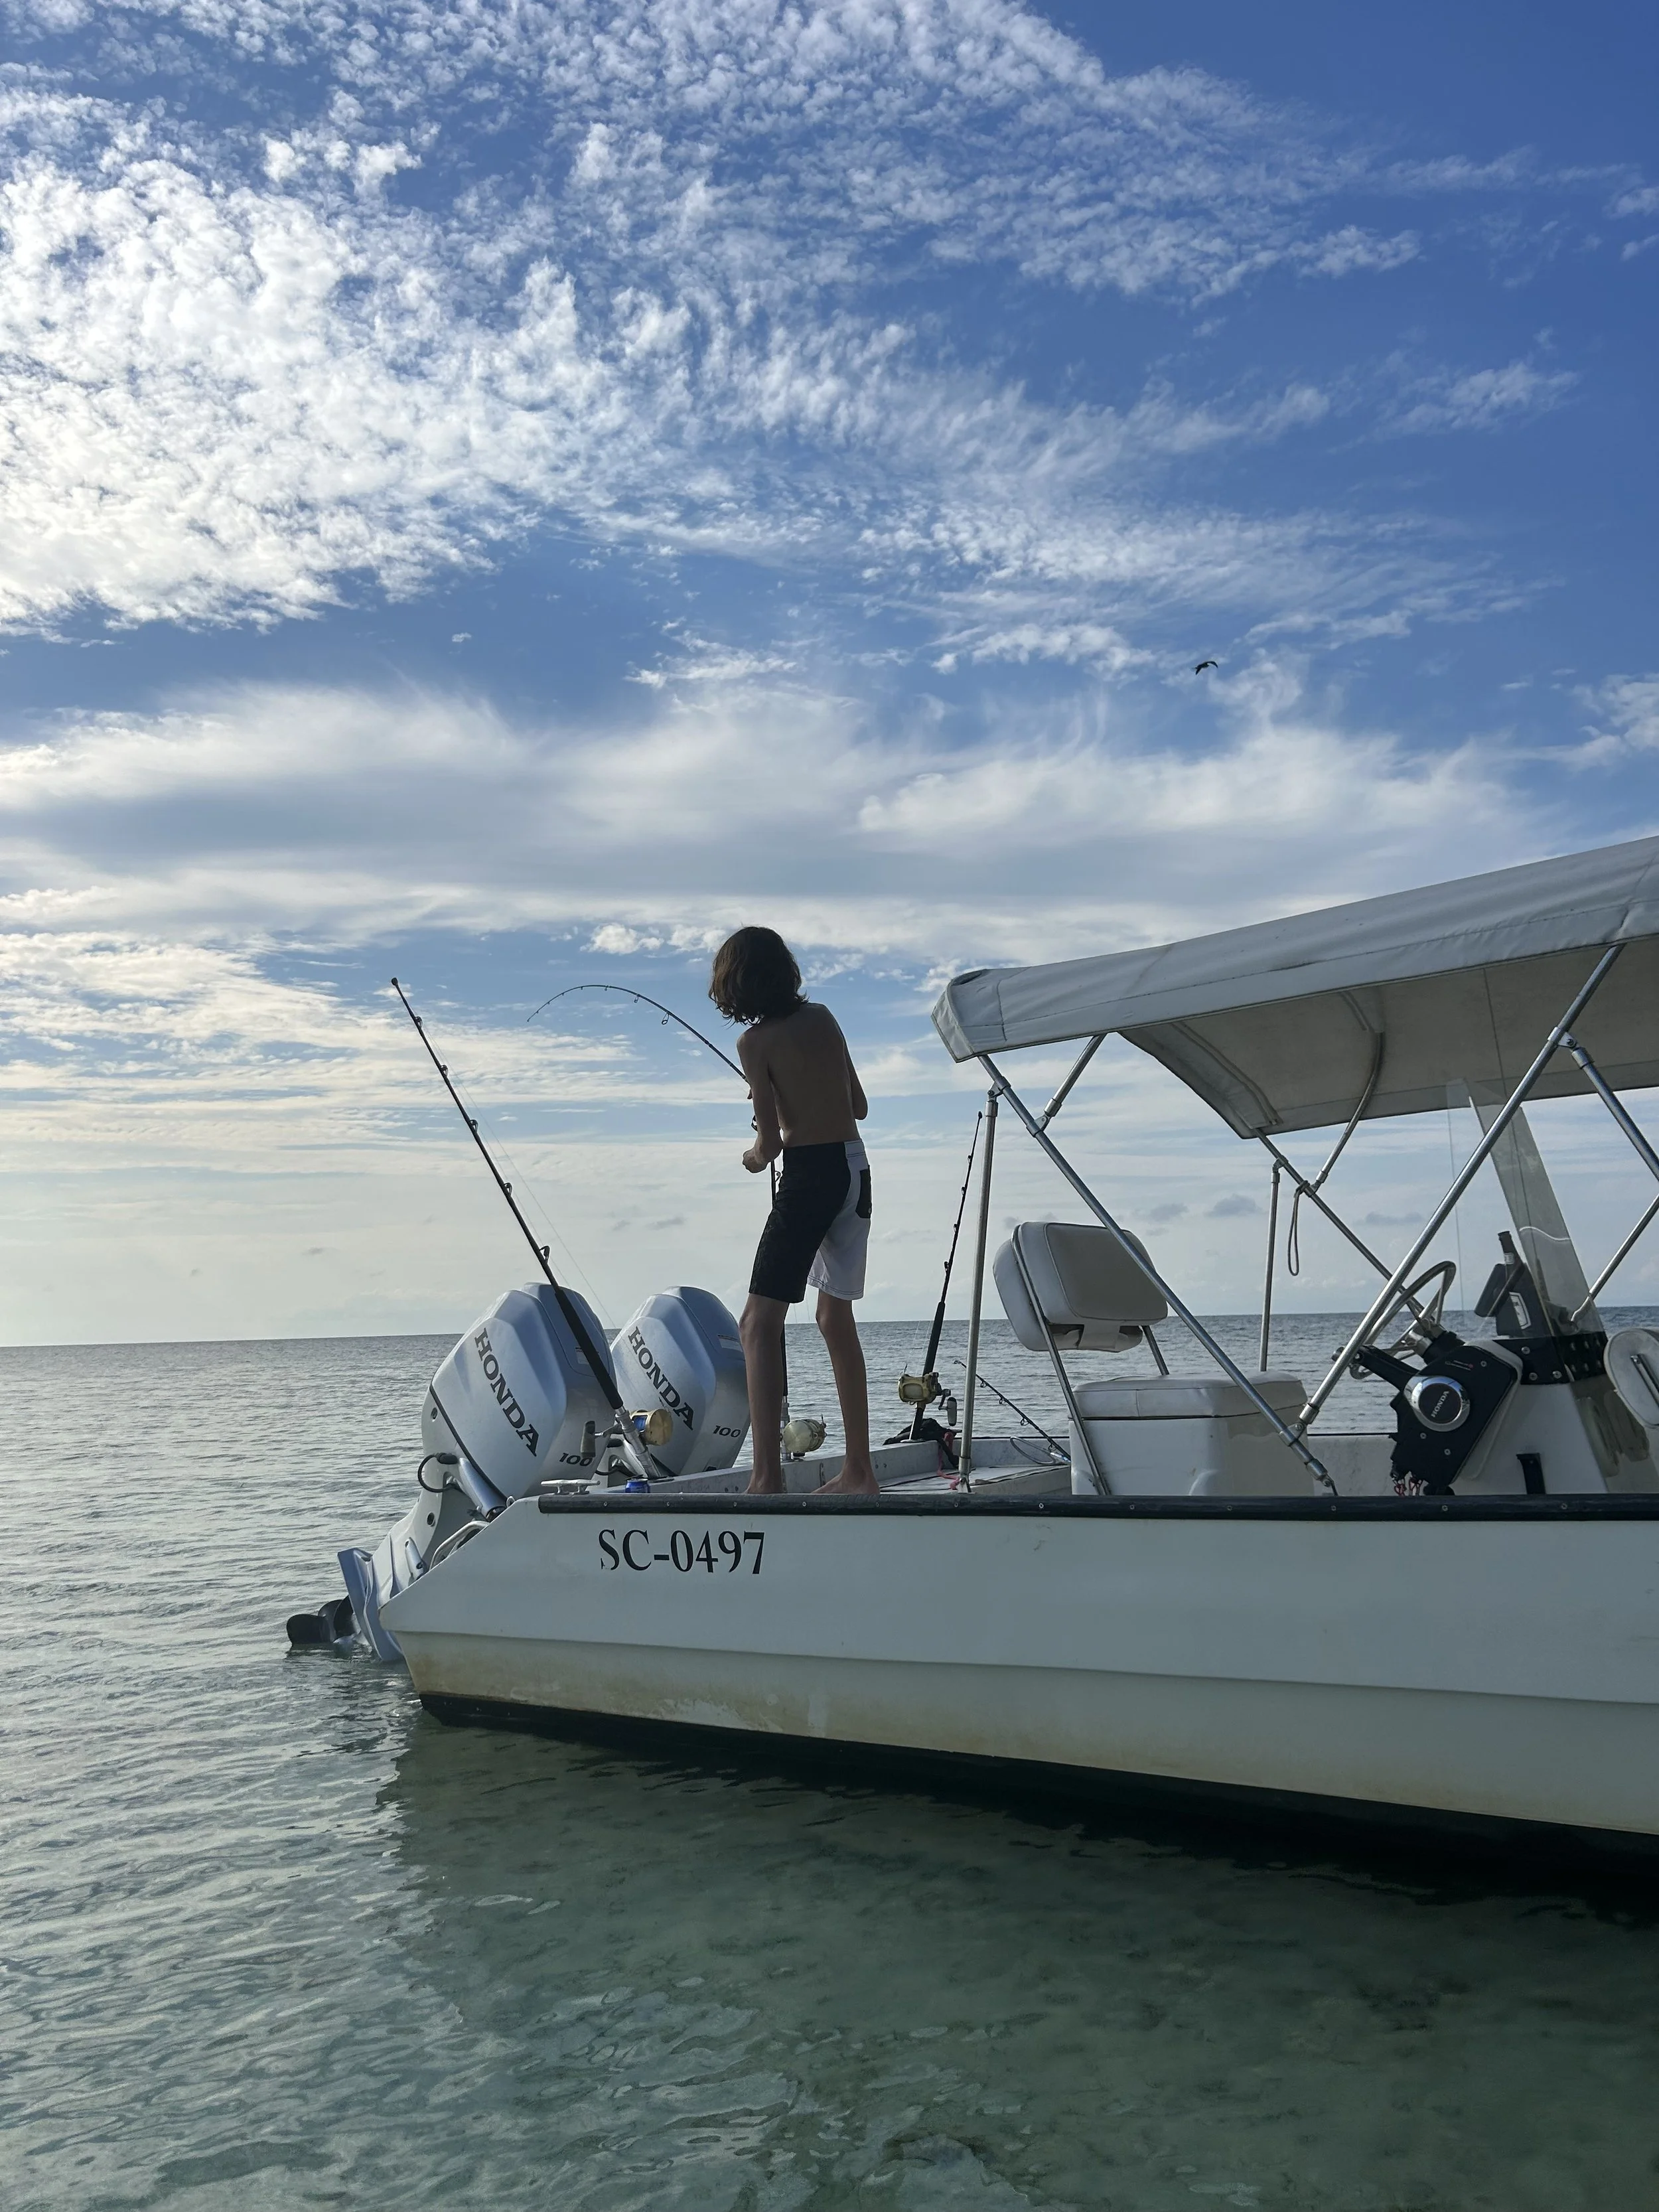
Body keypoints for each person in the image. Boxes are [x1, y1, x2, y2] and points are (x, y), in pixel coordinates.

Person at [709, 926, 877, 1497]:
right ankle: (859, 1471)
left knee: (758, 1324)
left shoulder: (754, 1045)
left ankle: (766, 1478)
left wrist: (757, 1153)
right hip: (855, 1169)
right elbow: (859, 1104)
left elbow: (771, 1146)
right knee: (835, 1318)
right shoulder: (825, 1017)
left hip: (808, 1177)